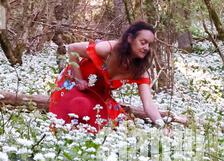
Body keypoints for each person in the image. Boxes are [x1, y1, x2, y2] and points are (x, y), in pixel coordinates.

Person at [49, 21, 187, 133]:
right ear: (130, 38)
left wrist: (161, 126)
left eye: (150, 45)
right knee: (79, 111)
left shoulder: (139, 71)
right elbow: (72, 48)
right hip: (71, 85)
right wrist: (78, 78)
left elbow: (148, 104)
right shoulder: (107, 50)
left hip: (98, 96)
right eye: (143, 42)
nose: (146, 48)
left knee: (124, 127)